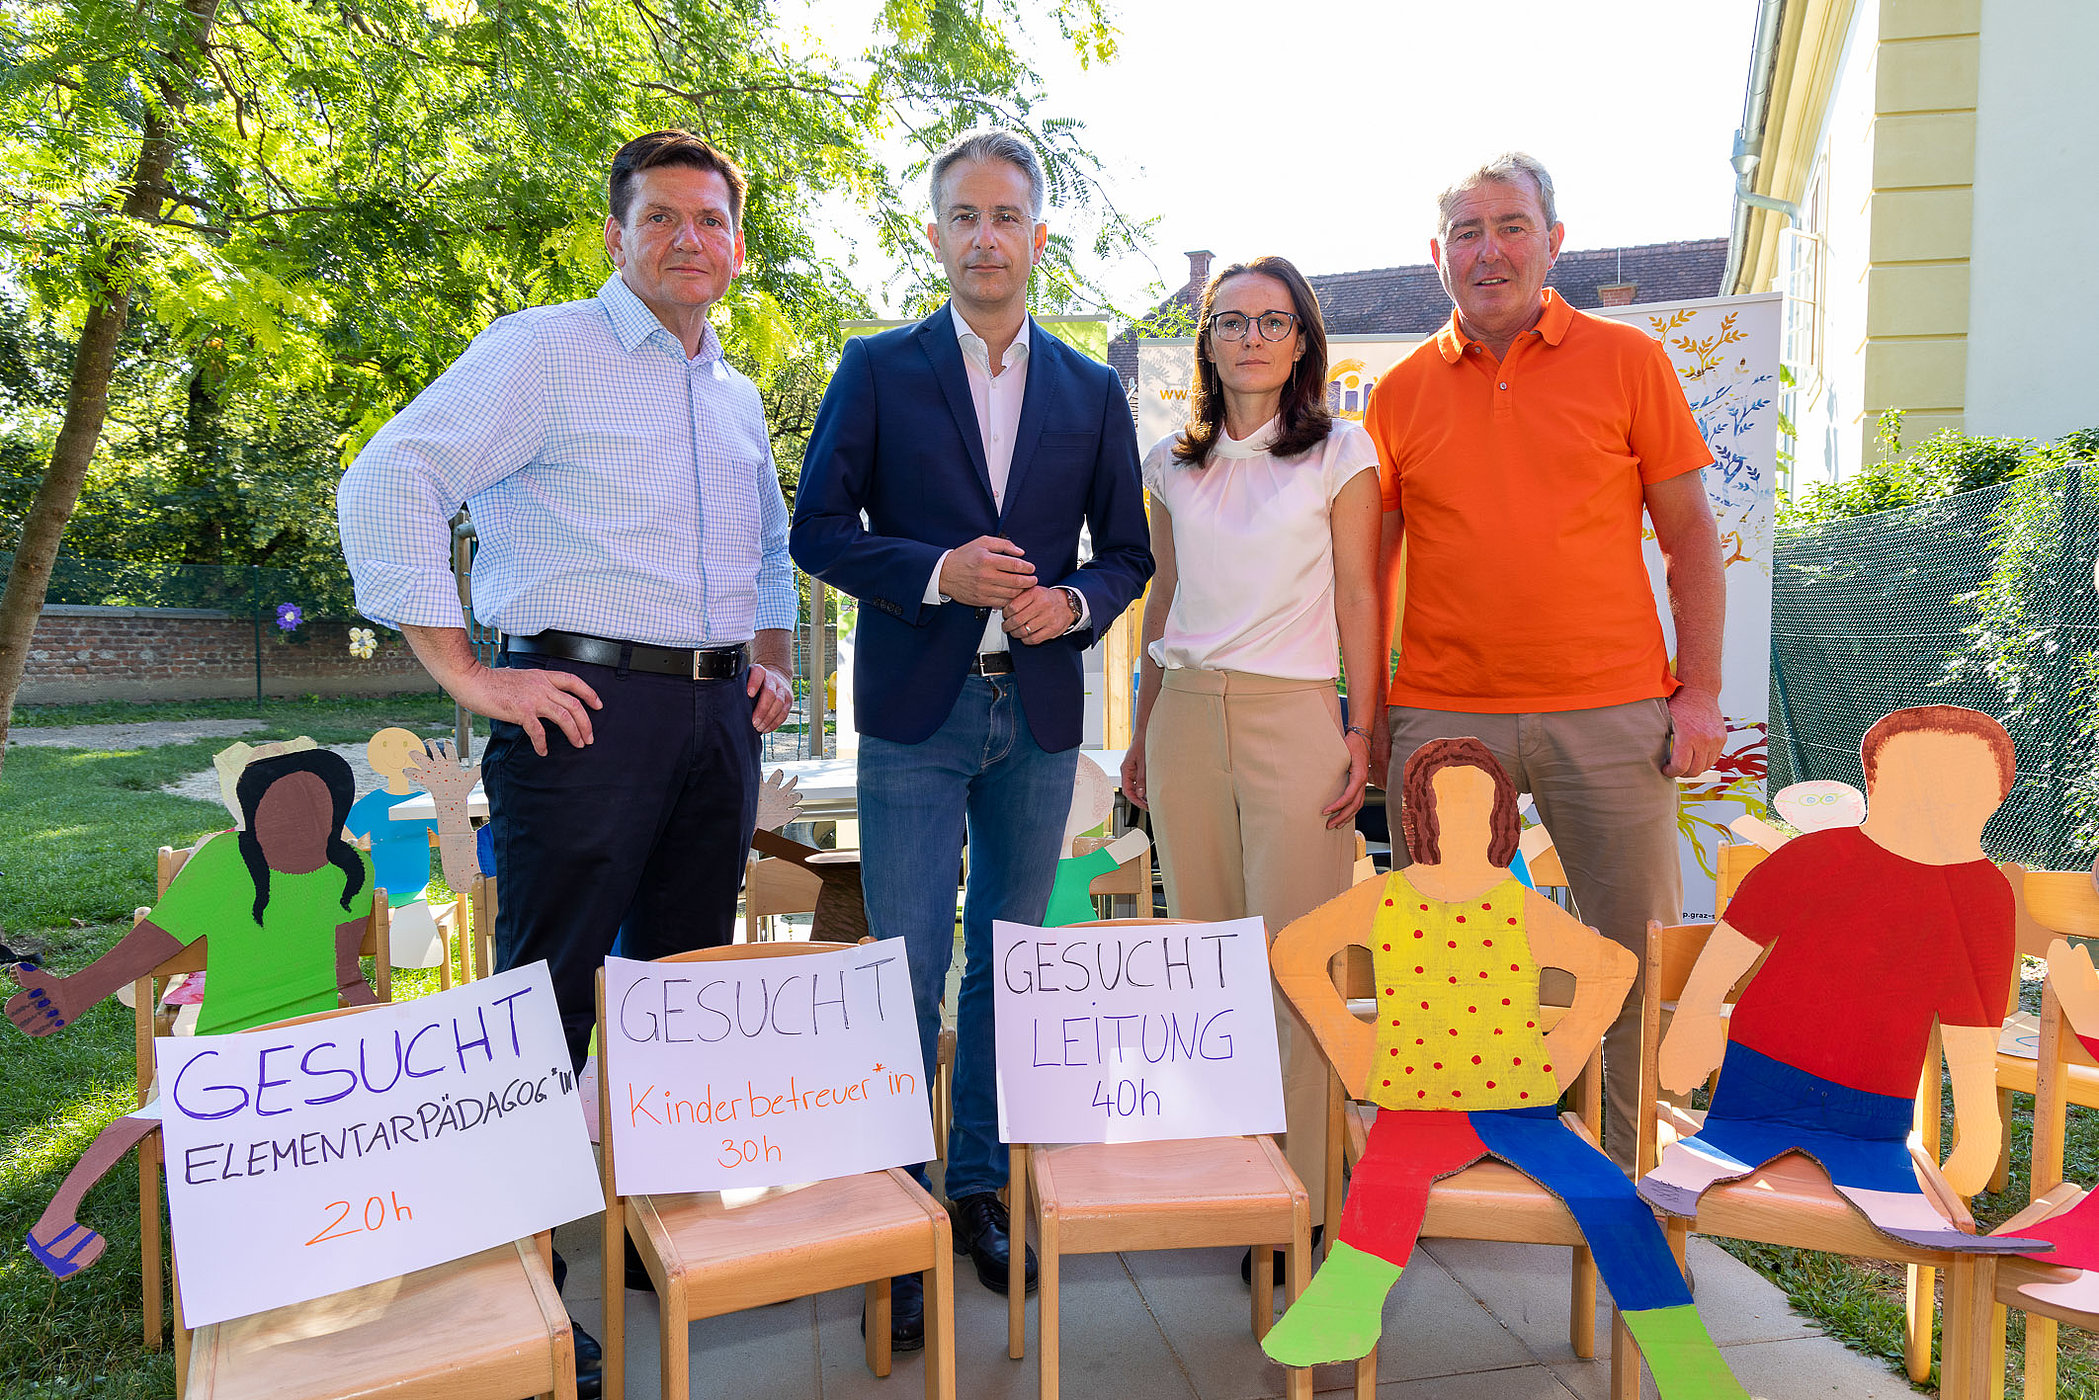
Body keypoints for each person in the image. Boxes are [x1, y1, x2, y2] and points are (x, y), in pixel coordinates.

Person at [336, 129, 794, 1394]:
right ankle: (525, 1268)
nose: (688, 238)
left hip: (715, 723)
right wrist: (468, 675)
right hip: (580, 713)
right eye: (661, 217)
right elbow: (391, 477)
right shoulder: (543, 351)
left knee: (678, 990)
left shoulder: (734, 392)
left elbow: (765, 549)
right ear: (615, 234)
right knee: (552, 995)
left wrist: (767, 661)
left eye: (710, 219)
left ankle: (655, 1230)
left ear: (737, 244)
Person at [790, 128, 1152, 1348]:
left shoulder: (1090, 390)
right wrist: (936, 570)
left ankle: (977, 1187)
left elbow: (1126, 554)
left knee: (1007, 961)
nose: (983, 237)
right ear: (936, 234)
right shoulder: (875, 368)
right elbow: (816, 529)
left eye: (1005, 217)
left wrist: (1078, 603)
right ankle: (893, 1214)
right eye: (962, 216)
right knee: (900, 961)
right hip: (916, 708)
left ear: (1037, 238)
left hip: (1036, 712)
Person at [1363, 152, 1727, 1168]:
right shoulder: (1397, 394)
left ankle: (1629, 1179)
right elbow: (1368, 574)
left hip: (1609, 709)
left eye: (1510, 226)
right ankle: (1463, 1165)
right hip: (1441, 713)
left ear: (1552, 242)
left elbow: (1690, 539)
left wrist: (1698, 693)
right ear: (1437, 255)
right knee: (1445, 964)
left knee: (1629, 956)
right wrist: (1369, 715)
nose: (1488, 250)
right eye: (1467, 232)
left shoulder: (1628, 361)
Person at [1260, 739, 1747, 1398]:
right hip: (1416, 1104)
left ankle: (1686, 1359)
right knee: (1382, 1183)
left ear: (1500, 819)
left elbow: (1613, 967)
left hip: (1522, 1108)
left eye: (1478, 805)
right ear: (1420, 816)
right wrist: (1350, 1043)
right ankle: (1337, 1313)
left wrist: (1564, 1051)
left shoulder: (1517, 904)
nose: (1462, 819)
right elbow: (1294, 950)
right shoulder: (1386, 897)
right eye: (1446, 805)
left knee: (1611, 1199)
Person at [1119, 255, 1379, 1274]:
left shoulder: (1340, 450)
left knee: (1297, 965)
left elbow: (1358, 595)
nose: (1253, 337)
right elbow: (1163, 597)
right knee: (1210, 961)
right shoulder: (1169, 462)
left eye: (1273, 320)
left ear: (1302, 339)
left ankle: (1306, 1194)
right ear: (1208, 340)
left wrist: (1362, 731)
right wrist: (1142, 728)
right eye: (1232, 320)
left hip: (1295, 717)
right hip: (1185, 719)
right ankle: (1237, 1175)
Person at [1640, 706, 2046, 1253]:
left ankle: (1911, 1217)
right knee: (1706, 1161)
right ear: (1872, 781)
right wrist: (1694, 1018)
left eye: (1959, 783)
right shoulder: (1817, 855)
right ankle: (1682, 1181)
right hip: (1760, 1074)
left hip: (1875, 1102)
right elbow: (1734, 941)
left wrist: (1979, 1125)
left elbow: (1973, 1018)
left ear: (1997, 796)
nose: (1933, 799)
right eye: (1915, 780)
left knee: (1882, 1185)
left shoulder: (1984, 895)